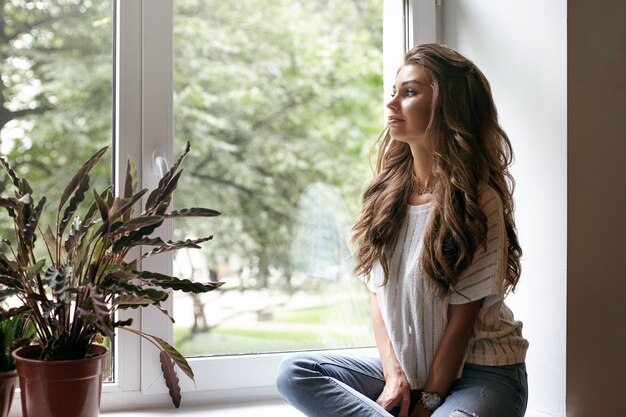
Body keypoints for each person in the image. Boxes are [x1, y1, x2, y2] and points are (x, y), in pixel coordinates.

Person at [276, 43, 529, 417]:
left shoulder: (478, 199)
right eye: (393, 92)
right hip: (409, 370)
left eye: (409, 92)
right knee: (295, 373)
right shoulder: (386, 193)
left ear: (448, 107)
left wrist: (428, 403)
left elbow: (462, 323)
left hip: (483, 373)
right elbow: (378, 295)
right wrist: (394, 376)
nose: (392, 104)